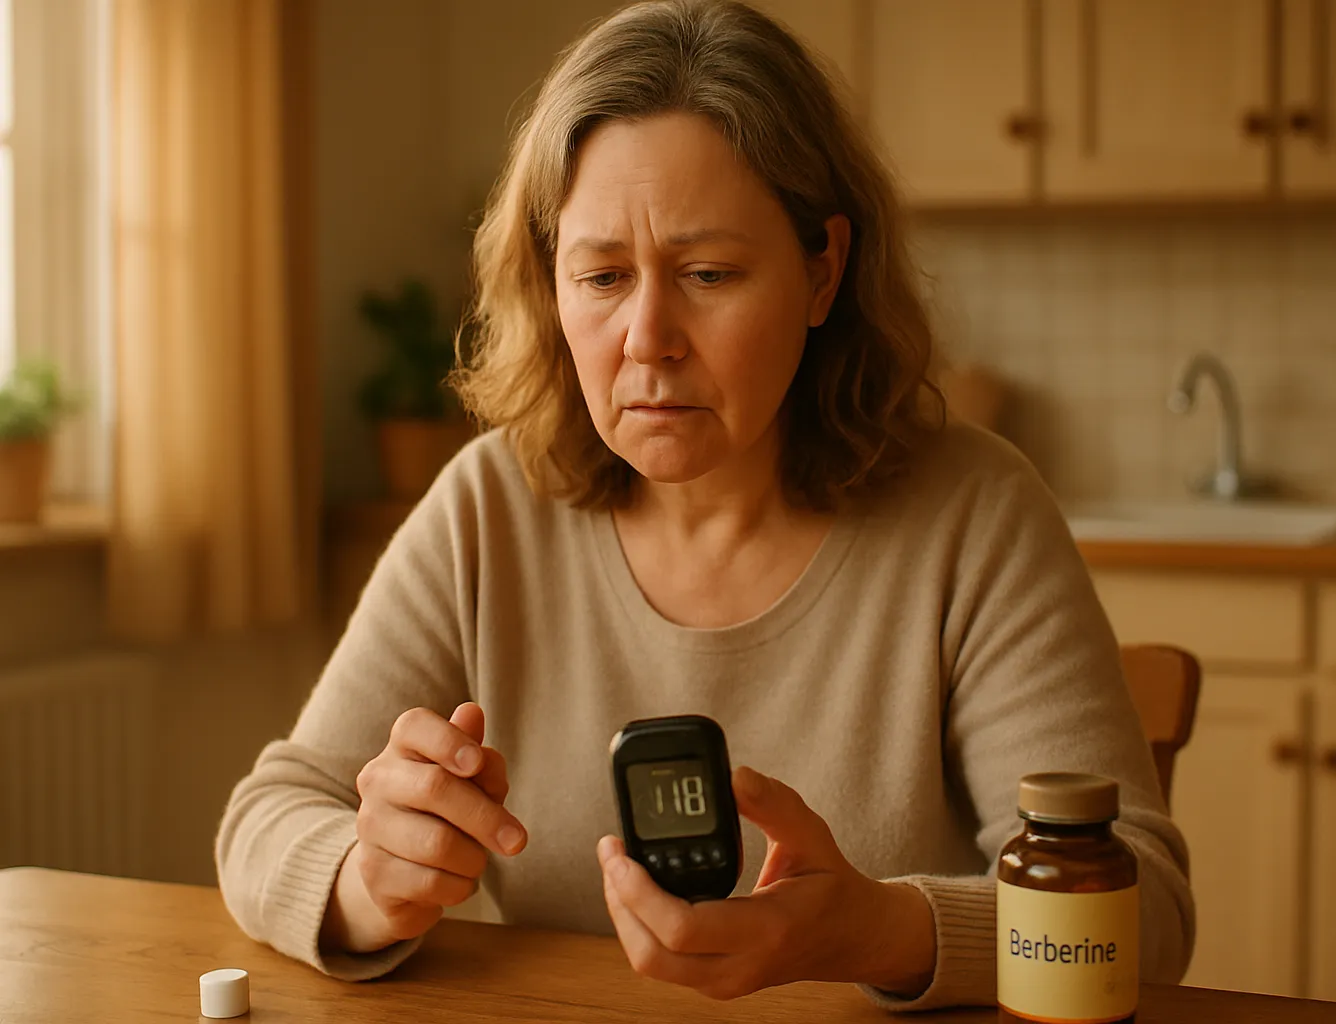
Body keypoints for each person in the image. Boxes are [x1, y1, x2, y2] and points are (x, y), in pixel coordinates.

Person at [215, 0, 1194, 1010]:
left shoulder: (973, 514)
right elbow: (268, 816)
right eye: (600, 275)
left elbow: (1145, 908)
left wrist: (878, 929)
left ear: (823, 270)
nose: (648, 337)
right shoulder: (489, 508)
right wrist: (370, 879)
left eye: (709, 273)